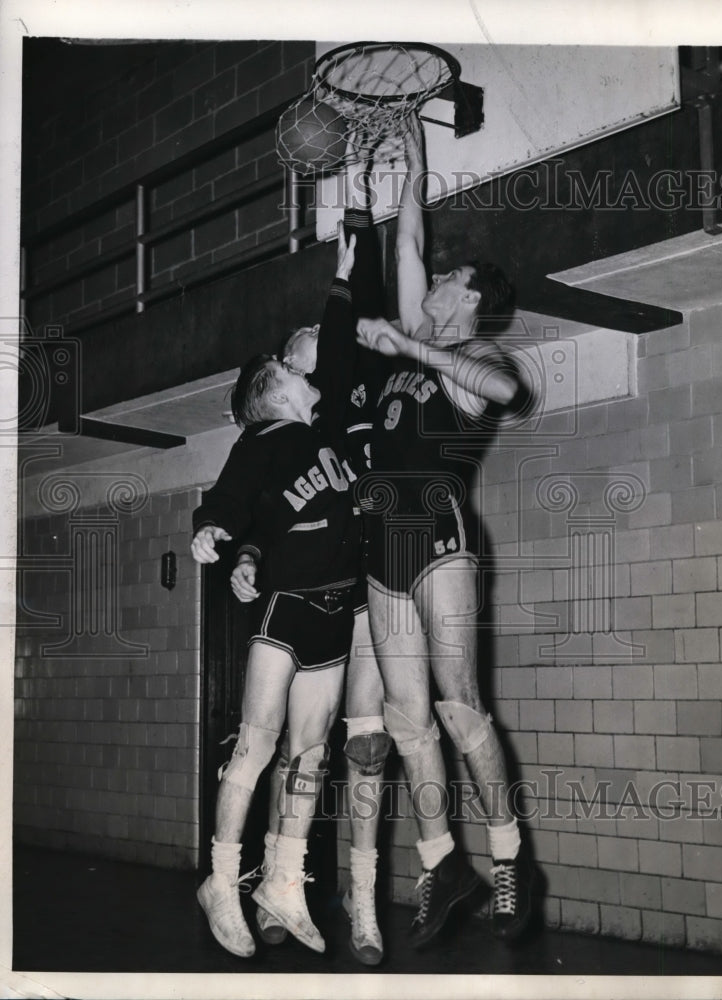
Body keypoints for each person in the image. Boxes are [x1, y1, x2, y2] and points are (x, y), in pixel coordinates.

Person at [354, 112, 535, 948]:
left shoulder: (477, 364)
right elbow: (406, 242)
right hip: (381, 543)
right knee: (406, 720)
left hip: (439, 537)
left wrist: (406, 344)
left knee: (460, 710)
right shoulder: (411, 342)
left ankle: (508, 862)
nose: (428, 283)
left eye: (445, 279)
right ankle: (442, 863)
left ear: (469, 300)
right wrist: (412, 156)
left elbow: (503, 397)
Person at [229, 148, 391, 966]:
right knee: (303, 748)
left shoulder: (364, 387)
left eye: (314, 343)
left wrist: (357, 219)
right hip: (324, 587)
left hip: (381, 582)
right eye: (302, 349)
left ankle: (363, 902)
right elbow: (264, 499)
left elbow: (357, 305)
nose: (312, 350)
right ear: (290, 377)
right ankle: (278, 882)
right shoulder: (297, 431)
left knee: (366, 745)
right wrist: (248, 548)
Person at [190, 225, 364, 959]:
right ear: (274, 388)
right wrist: (212, 531)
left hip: (338, 609)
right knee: (257, 746)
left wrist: (345, 285)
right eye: (299, 367)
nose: (312, 369)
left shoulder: (328, 437)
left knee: (310, 756)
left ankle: (282, 881)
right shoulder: (259, 443)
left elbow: (338, 346)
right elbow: (231, 500)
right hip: (288, 610)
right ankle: (221, 879)